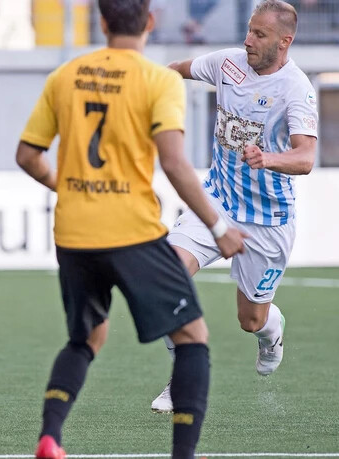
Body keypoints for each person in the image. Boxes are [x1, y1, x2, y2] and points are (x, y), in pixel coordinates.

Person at [16, 0, 246, 457]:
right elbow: (175, 164)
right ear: (151, 21)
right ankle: (184, 454)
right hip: (131, 230)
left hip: (74, 231)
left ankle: (50, 437)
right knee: (192, 337)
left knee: (87, 338)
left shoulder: (64, 76)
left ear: (102, 22)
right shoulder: (158, 79)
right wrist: (218, 226)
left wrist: (65, 185)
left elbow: (27, 156)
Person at [150, 0, 317, 413]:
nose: (248, 41)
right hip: (216, 202)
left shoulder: (296, 89)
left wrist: (267, 159)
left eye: (259, 35)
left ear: (284, 42)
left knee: (251, 320)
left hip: (267, 221)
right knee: (167, 277)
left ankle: (270, 333)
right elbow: (175, 71)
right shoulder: (228, 64)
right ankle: (181, 380)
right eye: (249, 30)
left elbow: (306, 157)